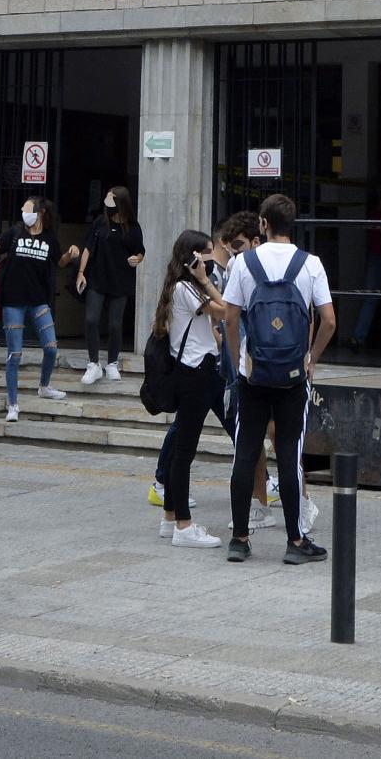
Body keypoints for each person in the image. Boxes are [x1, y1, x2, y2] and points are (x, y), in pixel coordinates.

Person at [223, 194, 336, 565]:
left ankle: (240, 539)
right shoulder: (311, 264)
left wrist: (241, 359)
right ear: (293, 223)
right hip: (292, 378)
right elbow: (329, 320)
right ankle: (295, 541)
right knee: (289, 455)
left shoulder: (242, 263)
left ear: (263, 223)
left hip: (252, 376)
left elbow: (230, 317)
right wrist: (310, 359)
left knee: (245, 452)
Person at [152, 230, 228, 548]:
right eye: (207, 254)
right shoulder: (187, 288)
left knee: (181, 446)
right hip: (196, 374)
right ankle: (184, 525)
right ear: (194, 257)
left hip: (197, 371)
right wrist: (205, 280)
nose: (211, 260)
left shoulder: (181, 287)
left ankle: (170, 519)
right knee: (184, 452)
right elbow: (225, 309)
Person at [0, 198, 79, 422]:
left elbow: (59, 262)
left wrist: (70, 255)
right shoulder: (14, 233)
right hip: (12, 300)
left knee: (51, 347)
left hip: (38, 300)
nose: (23, 212)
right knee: (14, 354)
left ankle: (44, 385)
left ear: (40, 213)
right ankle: (13, 405)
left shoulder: (49, 238)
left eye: (27, 208)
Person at [77, 187, 144, 384]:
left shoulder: (132, 227)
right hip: (97, 277)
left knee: (115, 324)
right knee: (91, 319)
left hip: (120, 279)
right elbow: (88, 248)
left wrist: (137, 259)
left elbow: (140, 251)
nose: (107, 202)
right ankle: (93, 363)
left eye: (111, 198)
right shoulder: (100, 222)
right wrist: (81, 272)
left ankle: (112, 363)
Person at [346, 181, 381, 352]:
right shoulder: (375, 211)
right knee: (369, 298)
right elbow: (367, 226)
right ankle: (358, 338)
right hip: (377, 258)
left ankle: (358, 337)